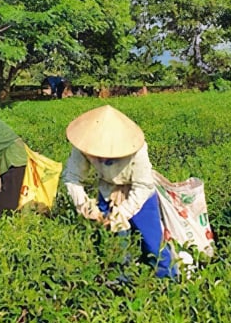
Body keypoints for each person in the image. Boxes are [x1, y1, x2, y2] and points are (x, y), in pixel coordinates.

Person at [61, 105, 176, 279]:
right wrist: (84, 205)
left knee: (153, 245)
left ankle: (169, 284)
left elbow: (143, 186)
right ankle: (120, 285)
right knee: (114, 245)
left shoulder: (137, 149)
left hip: (139, 195)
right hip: (108, 192)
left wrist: (123, 212)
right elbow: (72, 177)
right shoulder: (84, 144)